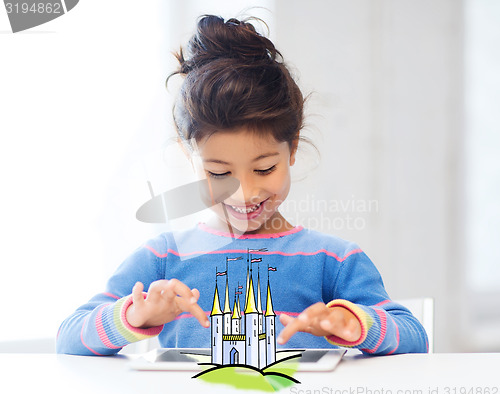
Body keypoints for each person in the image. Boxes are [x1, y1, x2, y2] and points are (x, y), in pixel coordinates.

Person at [56, 15, 428, 356]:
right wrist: (134, 316)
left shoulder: (333, 261)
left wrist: (354, 323)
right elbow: (69, 336)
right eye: (219, 174)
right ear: (191, 158)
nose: (244, 193)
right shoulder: (163, 258)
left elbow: (414, 336)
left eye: (264, 169)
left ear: (292, 149)